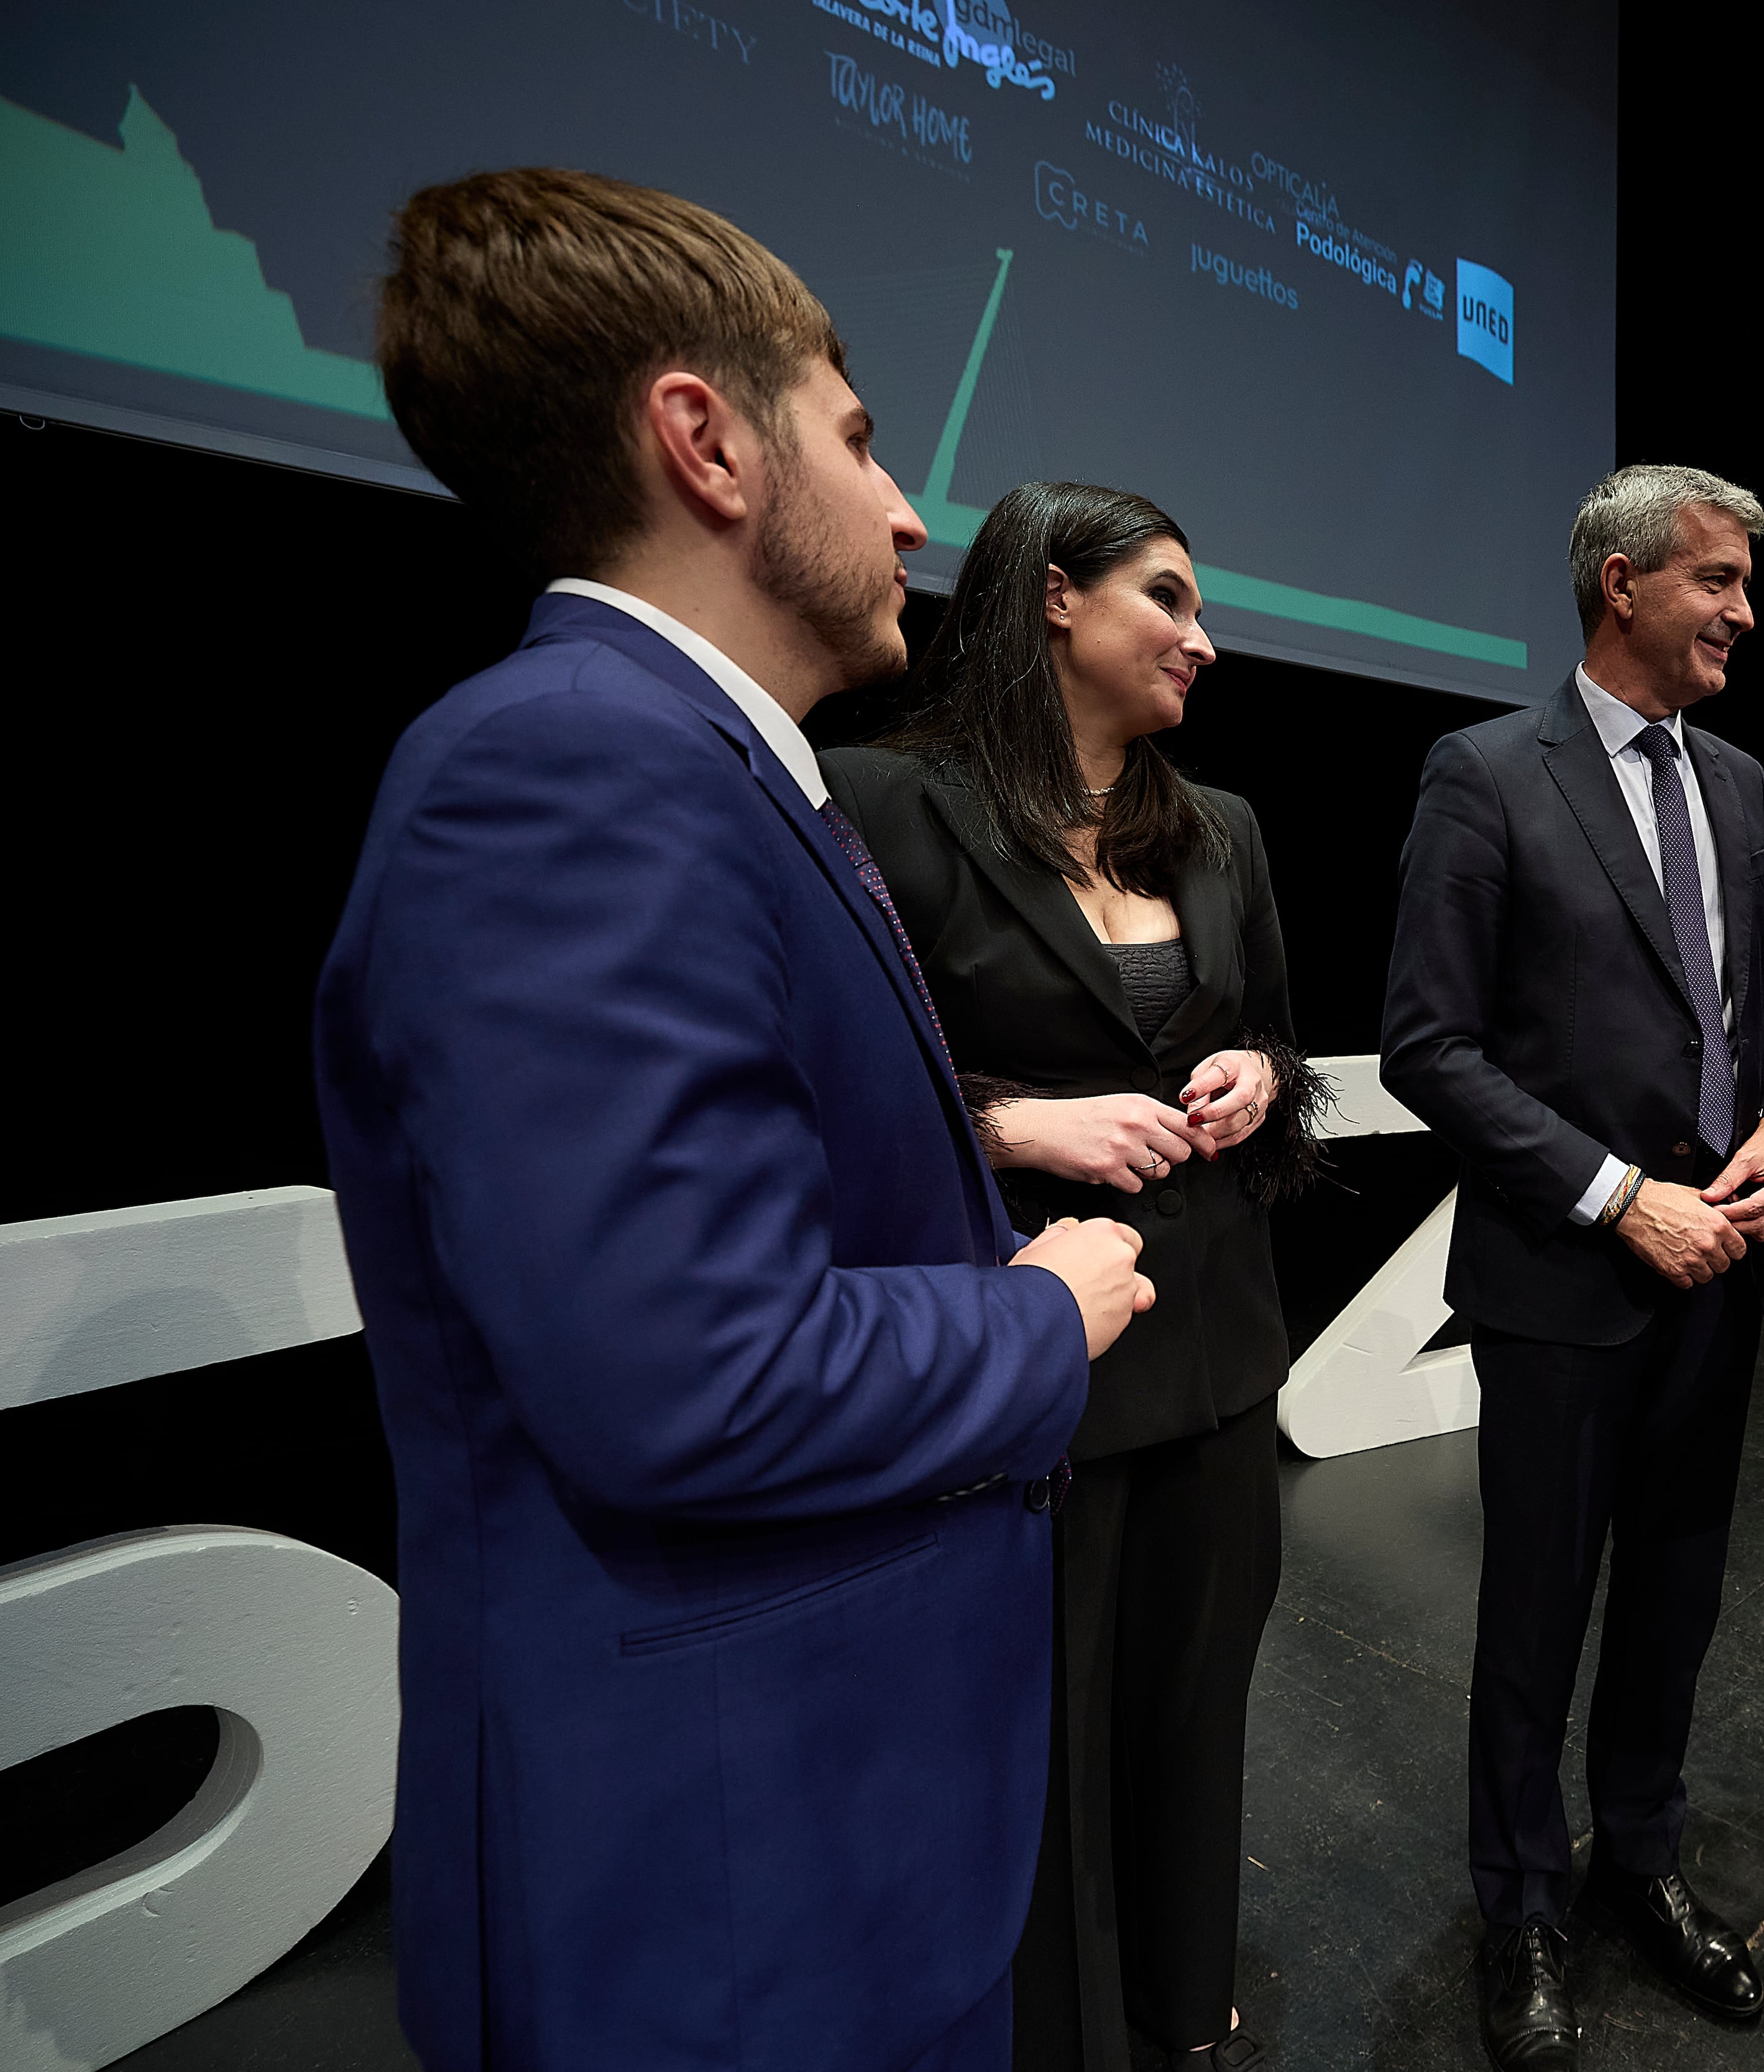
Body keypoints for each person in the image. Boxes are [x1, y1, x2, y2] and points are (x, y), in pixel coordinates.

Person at [315, 168, 1152, 2072]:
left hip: (823, 1844)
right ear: (705, 442)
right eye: (857, 440)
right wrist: (1044, 1308)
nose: (909, 509)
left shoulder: (694, 771)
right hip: (727, 1900)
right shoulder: (567, 769)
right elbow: (696, 1367)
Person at [820, 481, 1320, 2072]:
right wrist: (1016, 1123)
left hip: (1220, 1357)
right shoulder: (880, 802)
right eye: (1167, 596)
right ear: (1052, 593)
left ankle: (1180, 2002)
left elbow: (1282, 1041)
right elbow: (830, 1090)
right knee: (1035, 1741)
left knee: (1193, 1709)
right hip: (1031, 1362)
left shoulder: (1221, 826)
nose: (1202, 638)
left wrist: (1258, 1072)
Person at [1380, 463, 1764, 2071]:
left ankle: (1640, 1853)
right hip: (1565, 1284)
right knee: (1536, 1615)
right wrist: (1620, 1193)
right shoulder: (1487, 773)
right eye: (1718, 578)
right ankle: (1521, 1905)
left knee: (1674, 1604)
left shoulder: (1745, 785)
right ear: (1622, 582)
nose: (1745, 611)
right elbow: (1430, 1045)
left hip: (1724, 1276)